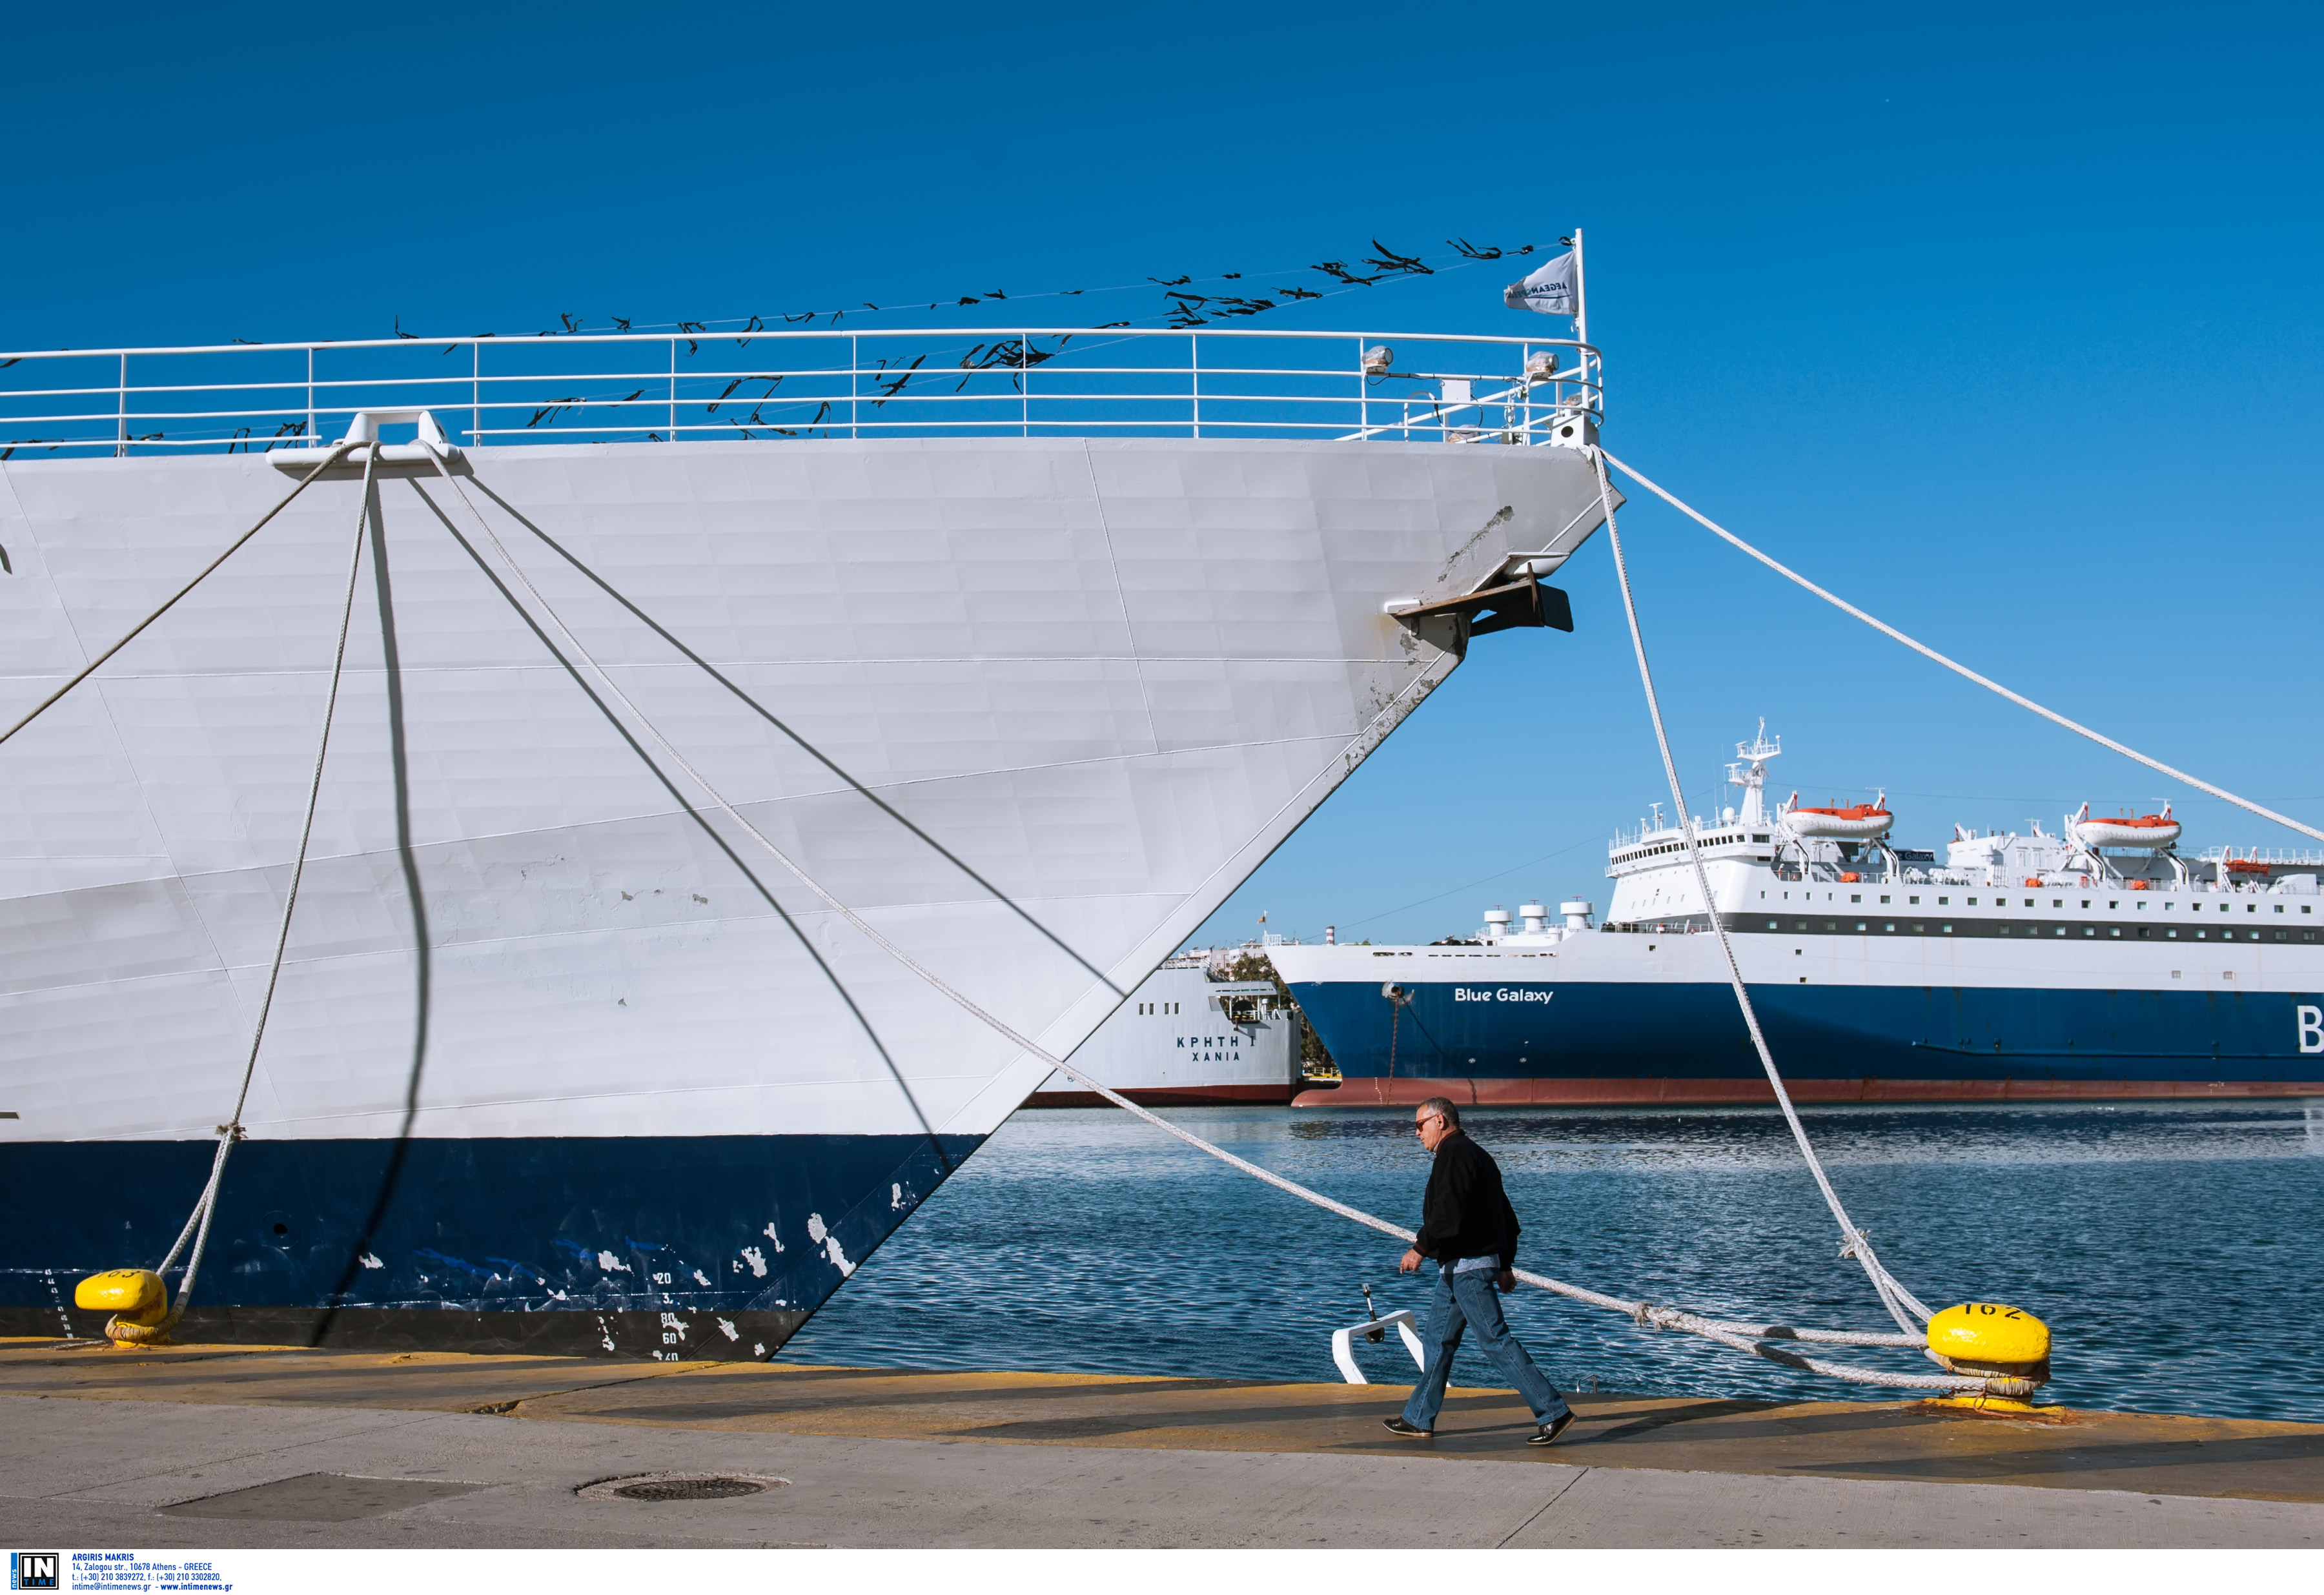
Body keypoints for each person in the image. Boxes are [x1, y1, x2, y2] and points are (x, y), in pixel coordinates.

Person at [1381, 1097, 1575, 1445]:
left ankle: (1553, 1411)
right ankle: (1419, 1418)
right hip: (1459, 1269)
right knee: (1438, 1342)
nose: (1416, 1133)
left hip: (1467, 1269)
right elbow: (1507, 1218)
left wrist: (1419, 1249)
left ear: (1440, 1121)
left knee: (1495, 1340)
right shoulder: (1480, 1156)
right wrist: (1505, 1264)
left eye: (1419, 1125)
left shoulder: (1453, 1155)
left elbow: (1448, 1214)